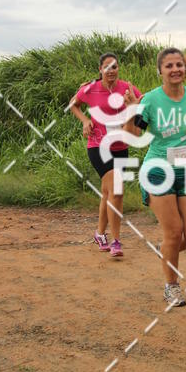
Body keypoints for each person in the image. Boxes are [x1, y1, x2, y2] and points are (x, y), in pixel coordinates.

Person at [124, 47, 186, 307]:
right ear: (160, 71)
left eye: (179, 65)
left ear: (184, 68)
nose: (175, 69)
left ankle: (165, 250)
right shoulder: (151, 100)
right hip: (157, 169)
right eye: (169, 66)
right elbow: (133, 136)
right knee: (174, 232)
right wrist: (132, 111)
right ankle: (171, 287)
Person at [69, 52, 141, 258]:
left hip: (120, 147)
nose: (111, 71)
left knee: (108, 192)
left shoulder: (127, 88)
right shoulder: (90, 89)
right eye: (107, 67)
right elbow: (73, 104)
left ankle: (100, 234)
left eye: (114, 67)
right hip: (98, 146)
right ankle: (116, 241)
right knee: (117, 191)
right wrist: (85, 120)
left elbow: (141, 104)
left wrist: (134, 109)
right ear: (100, 69)